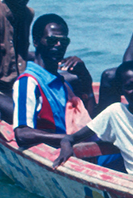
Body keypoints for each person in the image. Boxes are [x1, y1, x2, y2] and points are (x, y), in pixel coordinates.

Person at [53, 61, 133, 182]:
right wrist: (66, 148)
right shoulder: (115, 112)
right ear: (120, 90)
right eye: (129, 87)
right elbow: (70, 138)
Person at [9, 13, 99, 150]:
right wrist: (67, 139)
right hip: (58, 151)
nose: (58, 45)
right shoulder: (28, 82)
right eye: (51, 40)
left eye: (64, 42)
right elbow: (22, 134)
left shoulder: (62, 83)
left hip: (76, 148)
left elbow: (88, 121)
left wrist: (86, 78)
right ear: (36, 41)